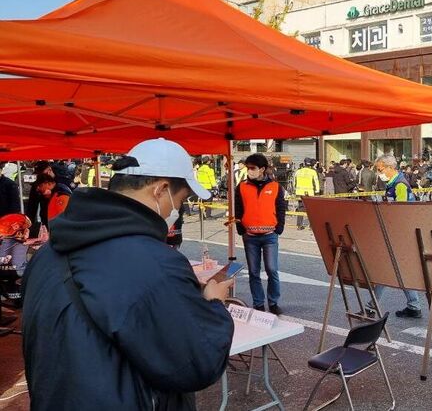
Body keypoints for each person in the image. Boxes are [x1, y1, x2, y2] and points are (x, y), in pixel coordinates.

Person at [22, 138, 234, 410]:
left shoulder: (45, 254)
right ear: (161, 190)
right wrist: (213, 304)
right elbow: (197, 362)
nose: (176, 211)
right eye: (180, 201)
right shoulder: (156, 262)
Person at [367, 154, 421, 319]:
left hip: (400, 235)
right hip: (400, 234)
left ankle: (370, 307)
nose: (379, 173)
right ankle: (414, 306)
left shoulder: (399, 186)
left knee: (386, 270)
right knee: (398, 270)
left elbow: (400, 212)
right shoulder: (393, 184)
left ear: (390, 167)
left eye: (380, 169)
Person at [234, 153, 288, 315]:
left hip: (270, 236)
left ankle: (273, 302)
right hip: (250, 236)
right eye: (248, 168)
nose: (249, 171)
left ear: (262, 169)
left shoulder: (276, 187)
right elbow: (238, 208)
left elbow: (281, 208)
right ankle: (258, 303)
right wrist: (240, 227)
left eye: (253, 168)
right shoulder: (242, 186)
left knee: (272, 270)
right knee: (254, 272)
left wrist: (279, 227)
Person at [25, 161, 55, 233]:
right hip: (45, 218)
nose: (39, 175)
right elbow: (32, 206)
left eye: (41, 172)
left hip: (57, 219)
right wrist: (28, 225)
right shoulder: (36, 185)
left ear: (49, 170)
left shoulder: (60, 182)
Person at [294, 157, 320, 230]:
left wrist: (295, 190)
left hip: (299, 193)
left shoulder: (298, 171)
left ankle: (299, 225)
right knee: (310, 209)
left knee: (300, 208)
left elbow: (294, 182)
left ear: (304, 163)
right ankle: (311, 226)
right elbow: (316, 183)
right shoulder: (313, 172)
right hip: (310, 193)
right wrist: (317, 192)